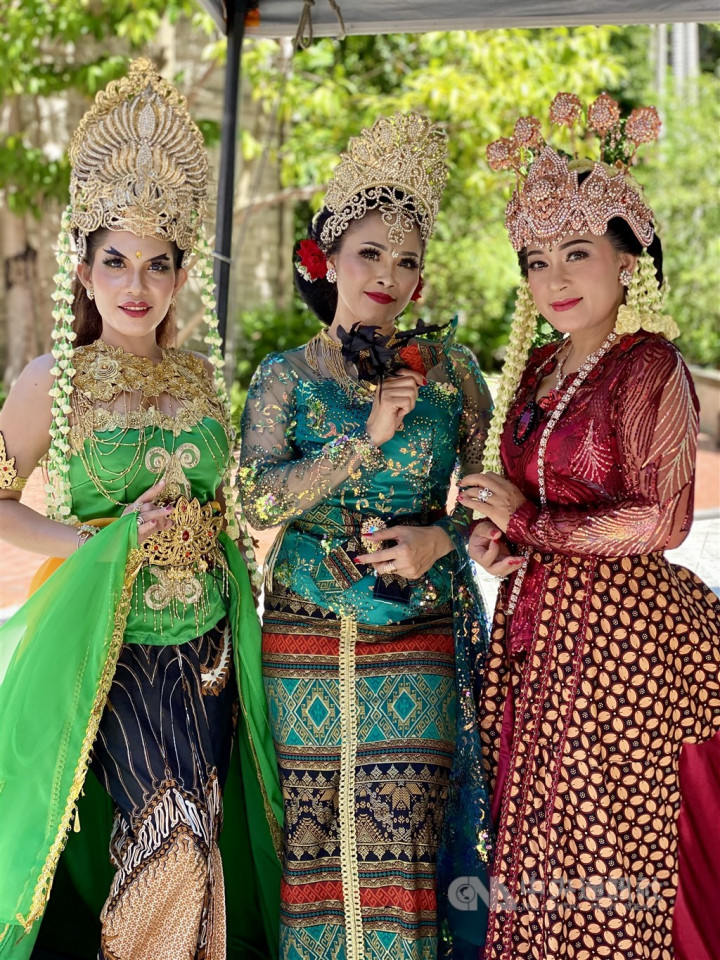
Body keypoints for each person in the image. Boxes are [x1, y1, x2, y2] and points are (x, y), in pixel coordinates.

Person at [0, 59, 281, 959]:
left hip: (210, 646)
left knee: (202, 833)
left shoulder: (202, 380)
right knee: (169, 839)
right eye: (116, 261)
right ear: (83, 272)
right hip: (109, 644)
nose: (137, 284)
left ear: (181, 275)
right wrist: (96, 539)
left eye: (158, 265)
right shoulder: (52, 382)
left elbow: (234, 504)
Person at [460, 92, 720, 959]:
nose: (555, 280)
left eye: (577, 254)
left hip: (626, 647)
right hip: (537, 632)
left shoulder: (650, 366)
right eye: (537, 261)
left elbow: (664, 518)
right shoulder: (541, 364)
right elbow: (527, 500)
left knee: (612, 850)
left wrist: (530, 520)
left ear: (627, 260)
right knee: (537, 846)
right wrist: (500, 538)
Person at [238, 113, 494, 960]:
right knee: (311, 842)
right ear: (328, 258)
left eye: (407, 260)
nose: (388, 274)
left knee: (406, 843)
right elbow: (257, 500)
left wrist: (438, 541)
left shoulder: (455, 377)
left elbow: (490, 504)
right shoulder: (285, 376)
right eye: (370, 253)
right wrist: (363, 442)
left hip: (417, 635)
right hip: (304, 635)